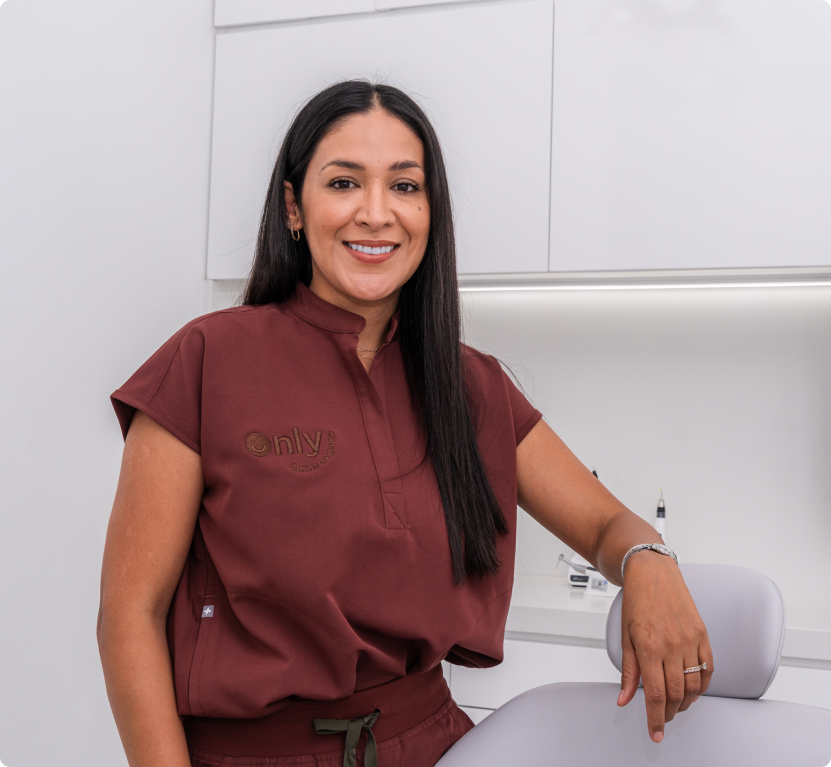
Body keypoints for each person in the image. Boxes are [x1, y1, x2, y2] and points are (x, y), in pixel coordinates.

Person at [97, 80, 713, 767]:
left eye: (404, 186)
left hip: (437, 749)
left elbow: (605, 527)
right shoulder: (206, 360)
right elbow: (130, 616)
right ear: (294, 207)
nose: (375, 213)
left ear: (430, 211)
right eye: (343, 183)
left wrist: (647, 560)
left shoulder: (470, 385)